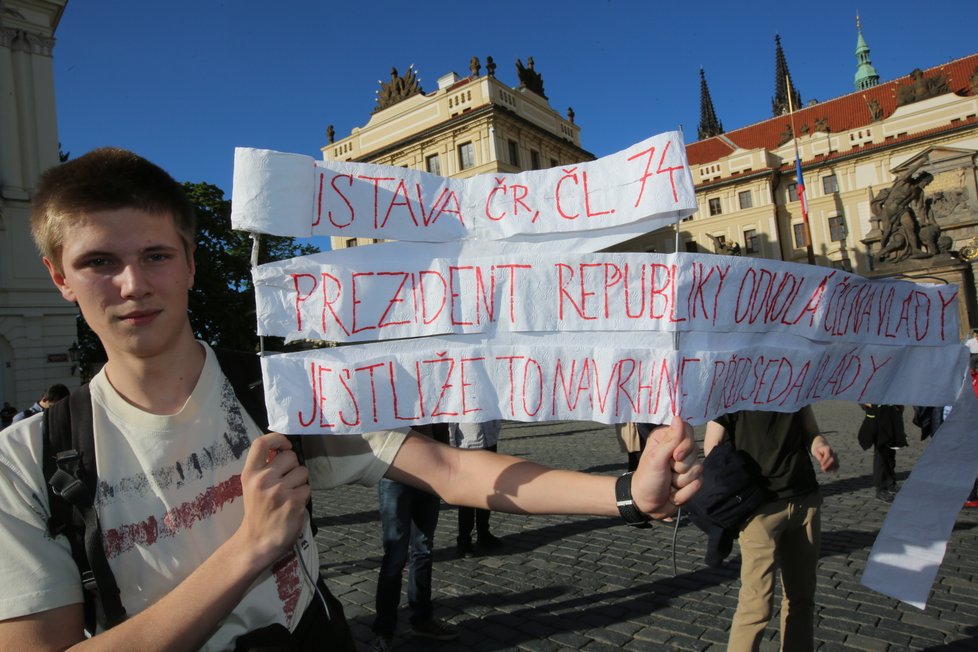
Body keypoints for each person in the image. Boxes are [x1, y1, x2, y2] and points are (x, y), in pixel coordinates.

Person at [0, 147, 702, 650]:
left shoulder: (277, 392)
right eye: (98, 261)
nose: (132, 284)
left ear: (188, 261)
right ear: (59, 276)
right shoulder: (27, 459)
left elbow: (449, 469)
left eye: (154, 255)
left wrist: (626, 494)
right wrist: (248, 551)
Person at [705, 406, 838, 652]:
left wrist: (820, 445)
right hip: (759, 510)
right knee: (756, 606)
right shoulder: (732, 390)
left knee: (801, 598)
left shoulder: (797, 384)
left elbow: (812, 433)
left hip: (804, 500)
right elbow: (713, 448)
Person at [372, 424, 457, 652]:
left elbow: (440, 421)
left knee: (423, 549)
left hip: (429, 474)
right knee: (395, 556)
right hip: (394, 473)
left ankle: (422, 619)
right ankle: (384, 629)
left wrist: (444, 464)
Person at [450, 419, 504, 555]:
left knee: (487, 493)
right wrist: (451, 448)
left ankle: (484, 533)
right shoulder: (458, 397)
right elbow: (450, 422)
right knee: (467, 498)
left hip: (489, 444)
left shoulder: (488, 397)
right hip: (468, 447)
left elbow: (496, 414)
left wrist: (494, 433)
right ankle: (464, 540)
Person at [857, 404, 907, 503]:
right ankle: (881, 488)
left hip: (892, 412)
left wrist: (900, 405)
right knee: (881, 453)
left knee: (891, 450)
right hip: (877, 414)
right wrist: (865, 402)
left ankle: (891, 483)